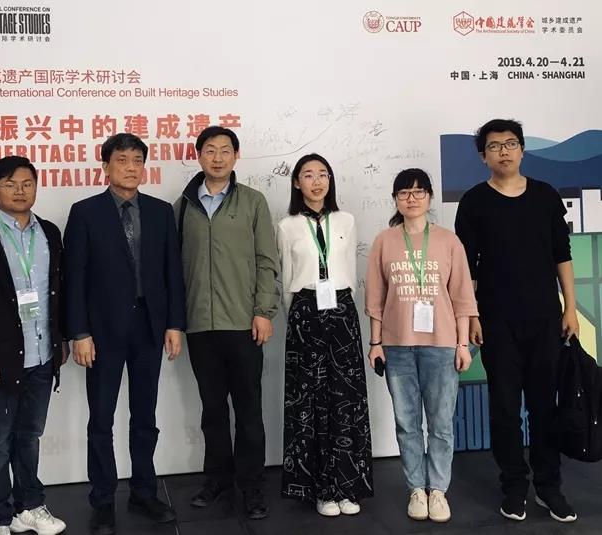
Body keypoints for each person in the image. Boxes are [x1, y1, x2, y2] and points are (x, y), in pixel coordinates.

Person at [455, 119, 579, 523]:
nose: (504, 151)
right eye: (494, 146)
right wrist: (471, 315)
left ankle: (549, 486)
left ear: (523, 150)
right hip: (496, 321)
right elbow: (467, 269)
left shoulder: (545, 196)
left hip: (545, 319)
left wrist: (570, 307)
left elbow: (562, 255)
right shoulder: (474, 202)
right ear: (483, 156)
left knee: (545, 407)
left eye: (510, 144)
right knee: (505, 408)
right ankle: (514, 486)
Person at [64, 133, 186, 535]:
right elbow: (74, 278)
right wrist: (78, 332)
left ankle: (144, 492)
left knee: (145, 416)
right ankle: (102, 500)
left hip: (149, 327)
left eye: (137, 160)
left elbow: (172, 272)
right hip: (101, 332)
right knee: (101, 419)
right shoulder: (85, 212)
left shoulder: (159, 211)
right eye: (122, 160)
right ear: (106, 166)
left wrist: (174, 324)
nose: (131, 167)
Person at [0, 156, 68, 535]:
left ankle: (29, 507)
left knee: (29, 437)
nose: (20, 191)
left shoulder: (49, 233)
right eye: (10, 184)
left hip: (42, 355)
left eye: (27, 183)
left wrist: (61, 338)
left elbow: (58, 291)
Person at [173, 126, 279, 519]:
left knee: (249, 410)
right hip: (200, 324)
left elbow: (267, 260)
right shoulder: (183, 206)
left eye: (224, 150)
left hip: (243, 323)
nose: (217, 158)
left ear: (236, 156)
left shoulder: (253, 202)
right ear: (198, 155)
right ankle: (217, 478)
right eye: (209, 150)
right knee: (212, 410)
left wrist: (263, 311)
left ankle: (251, 486)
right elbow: (174, 268)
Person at [366, 168, 477, 523]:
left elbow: (462, 297)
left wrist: (462, 344)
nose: (411, 199)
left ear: (429, 197)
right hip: (397, 346)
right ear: (395, 199)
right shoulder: (384, 241)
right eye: (403, 193)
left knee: (441, 423)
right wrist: (376, 343)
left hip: (442, 345)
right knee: (407, 422)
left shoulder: (449, 241)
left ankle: (438, 490)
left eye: (418, 192)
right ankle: (416, 488)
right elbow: (375, 298)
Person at [276, 154, 373, 517]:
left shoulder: (346, 220)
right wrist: (300, 316)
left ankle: (348, 486)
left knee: (346, 398)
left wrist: (341, 307)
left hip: (342, 311)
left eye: (323, 175)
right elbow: (287, 279)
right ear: (296, 183)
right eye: (308, 175)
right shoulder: (287, 225)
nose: (316, 181)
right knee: (310, 401)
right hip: (305, 311)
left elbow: (348, 269)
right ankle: (321, 489)